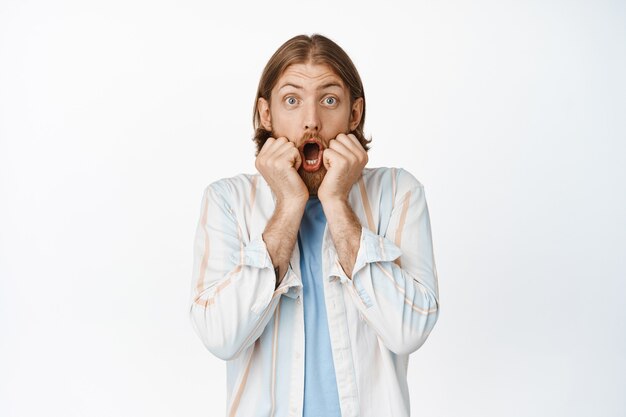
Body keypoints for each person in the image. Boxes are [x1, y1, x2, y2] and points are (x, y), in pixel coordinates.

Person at [189, 34, 440, 417]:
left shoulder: (398, 192)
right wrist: (289, 204)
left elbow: (407, 331)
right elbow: (221, 336)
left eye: (329, 100)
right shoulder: (227, 201)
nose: (311, 121)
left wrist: (337, 202)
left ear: (354, 114)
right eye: (292, 101)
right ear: (266, 114)